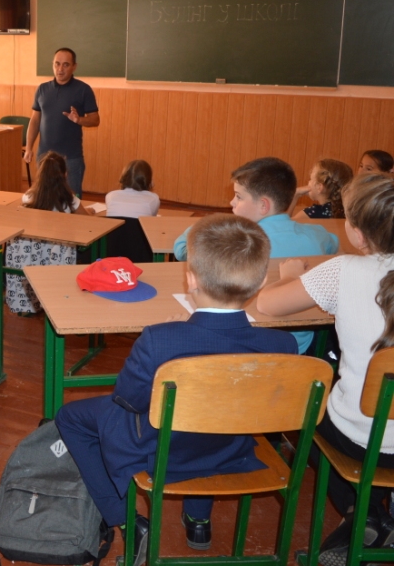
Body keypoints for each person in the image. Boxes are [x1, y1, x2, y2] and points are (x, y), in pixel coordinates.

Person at [58, 214, 298, 557]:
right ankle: (198, 519)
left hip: (160, 451)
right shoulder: (284, 346)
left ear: (191, 278)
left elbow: (127, 400)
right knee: (213, 412)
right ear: (260, 282)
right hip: (229, 448)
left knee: (69, 417)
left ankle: (124, 519)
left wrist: (167, 341)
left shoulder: (160, 339)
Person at [257, 172, 394, 563]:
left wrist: (290, 276)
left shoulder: (344, 270)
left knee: (301, 415)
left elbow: (267, 305)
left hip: (362, 440)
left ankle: (364, 513)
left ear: (358, 234)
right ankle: (374, 515)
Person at [173, 157, 338, 353]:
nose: (232, 202)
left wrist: (198, 227)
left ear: (263, 206)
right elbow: (334, 244)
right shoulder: (318, 235)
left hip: (243, 344)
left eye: (239, 197)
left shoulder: (235, 244)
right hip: (298, 346)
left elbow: (182, 251)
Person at [5, 152, 80, 315]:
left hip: (31, 253)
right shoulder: (70, 199)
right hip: (56, 253)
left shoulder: (28, 197)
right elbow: (88, 219)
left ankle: (28, 305)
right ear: (65, 175)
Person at [25, 47, 100, 197]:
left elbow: (95, 120)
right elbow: (35, 121)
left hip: (71, 158)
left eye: (66, 65)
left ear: (74, 67)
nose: (60, 69)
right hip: (44, 158)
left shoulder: (83, 90)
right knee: (44, 199)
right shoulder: (42, 89)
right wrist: (28, 148)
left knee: (72, 200)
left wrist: (79, 119)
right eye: (57, 64)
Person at [289, 159, 353, 219]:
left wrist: (295, 194)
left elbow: (284, 224)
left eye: (310, 179)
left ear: (319, 187)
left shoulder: (312, 213)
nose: (308, 182)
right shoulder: (350, 212)